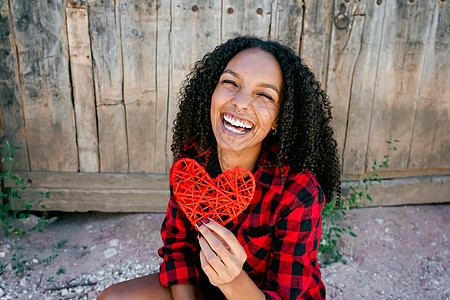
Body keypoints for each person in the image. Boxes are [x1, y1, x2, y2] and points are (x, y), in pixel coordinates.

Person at [99, 36, 341, 300]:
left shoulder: (298, 192)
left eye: (264, 95)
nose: (241, 102)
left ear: (278, 120)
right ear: (210, 93)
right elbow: (177, 248)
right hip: (203, 289)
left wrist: (233, 280)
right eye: (230, 82)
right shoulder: (192, 164)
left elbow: (287, 295)